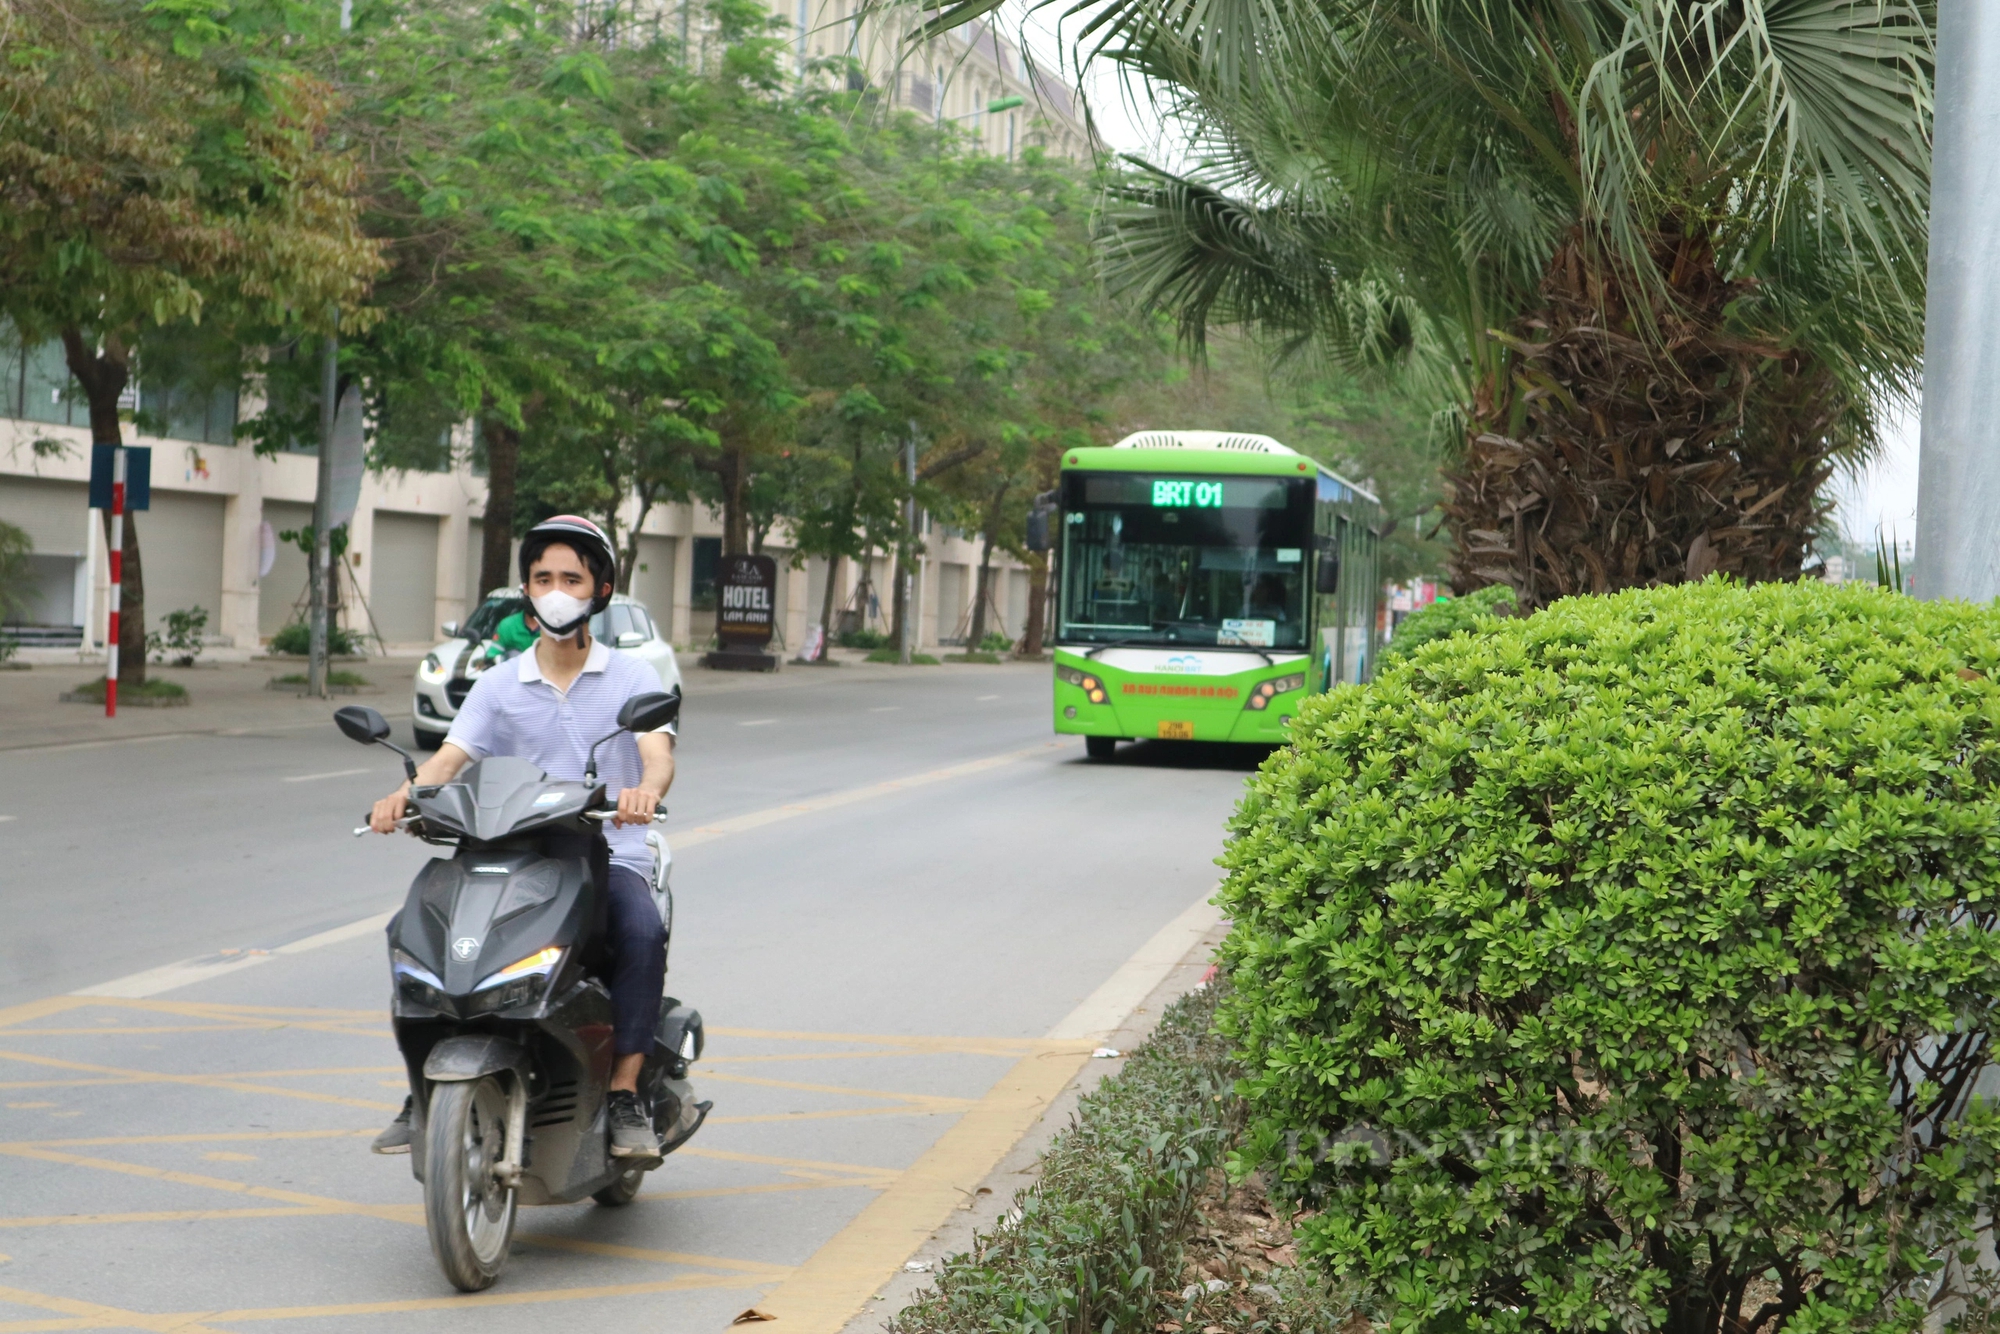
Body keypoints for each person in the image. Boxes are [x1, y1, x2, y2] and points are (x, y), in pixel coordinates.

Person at [365, 515, 676, 1161]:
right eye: (542, 578)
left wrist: (646, 790)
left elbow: (658, 754)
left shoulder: (632, 678)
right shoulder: (500, 683)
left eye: (571, 578)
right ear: (526, 591)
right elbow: (450, 758)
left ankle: (623, 1094)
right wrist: (404, 795)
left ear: (600, 589)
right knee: (413, 933)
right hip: (504, 849)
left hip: (603, 851)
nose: (555, 590)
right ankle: (422, 1085)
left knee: (641, 932)